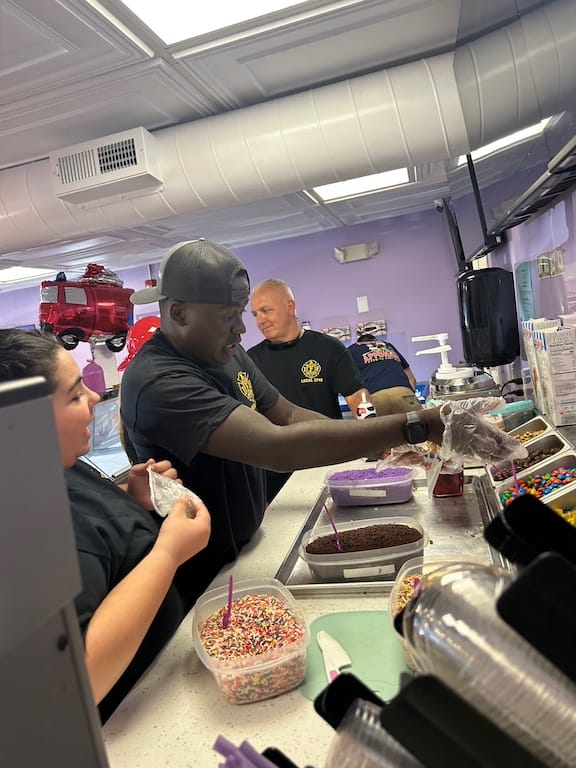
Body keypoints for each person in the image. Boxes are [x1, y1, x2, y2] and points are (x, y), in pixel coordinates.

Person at [120, 239, 525, 579]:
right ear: (178, 313)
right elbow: (277, 448)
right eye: (229, 317)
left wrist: (380, 448)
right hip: (199, 571)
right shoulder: (160, 381)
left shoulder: (226, 352)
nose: (242, 328)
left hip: (248, 546)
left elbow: (291, 415)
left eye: (244, 314)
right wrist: (417, 424)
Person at [0, 329, 211, 724]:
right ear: (24, 422)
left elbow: (92, 531)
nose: (95, 398)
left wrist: (127, 498)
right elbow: (81, 677)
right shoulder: (25, 524)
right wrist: (169, 552)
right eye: (75, 395)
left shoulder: (54, 463)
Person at [248, 277, 368, 499]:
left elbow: (357, 397)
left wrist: (369, 436)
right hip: (277, 472)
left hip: (326, 459)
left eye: (266, 310)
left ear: (290, 307)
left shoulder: (328, 347)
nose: (260, 320)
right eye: (255, 314)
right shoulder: (250, 361)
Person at [347, 332, 422, 416]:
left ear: (359, 342)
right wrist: (410, 394)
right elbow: (412, 379)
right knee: (419, 427)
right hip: (403, 393)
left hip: (376, 398)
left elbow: (350, 385)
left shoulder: (351, 349)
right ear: (375, 340)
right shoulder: (387, 345)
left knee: (381, 428)